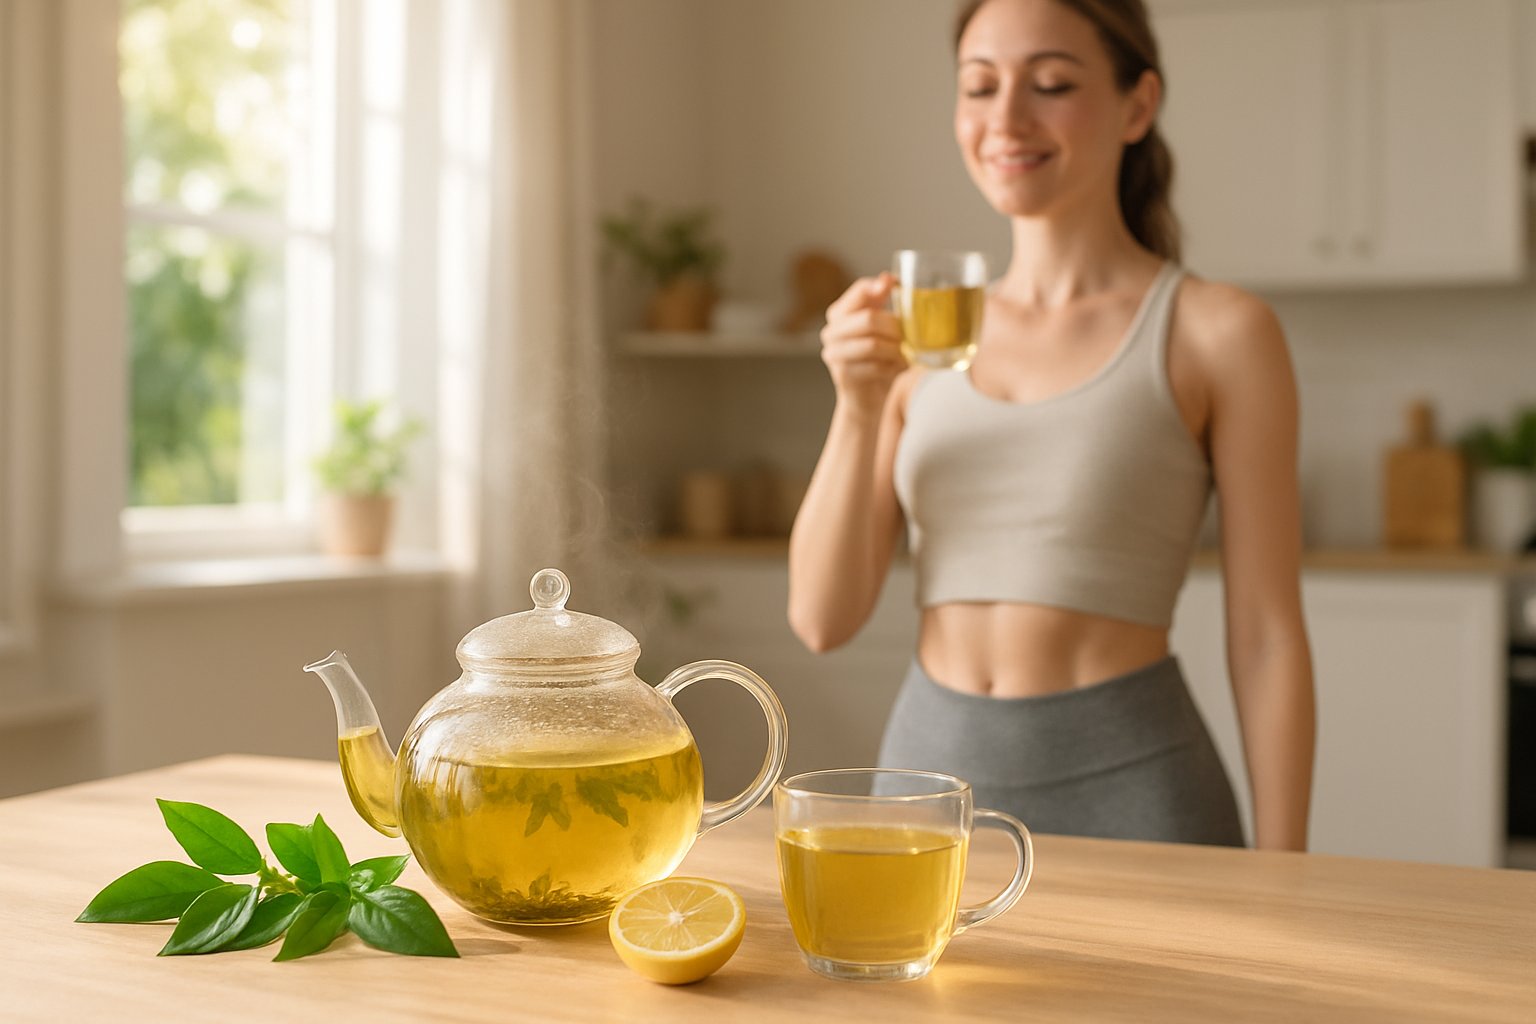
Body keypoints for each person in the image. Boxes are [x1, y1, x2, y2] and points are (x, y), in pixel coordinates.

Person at [787, 0, 1315, 850]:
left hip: (1138, 791)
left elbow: (1267, 638)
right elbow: (821, 619)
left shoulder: (1219, 332)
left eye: (1052, 84)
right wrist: (855, 405)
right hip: (924, 792)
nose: (1007, 119)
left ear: (1138, 105)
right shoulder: (921, 333)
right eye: (980, 86)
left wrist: (1290, 868)